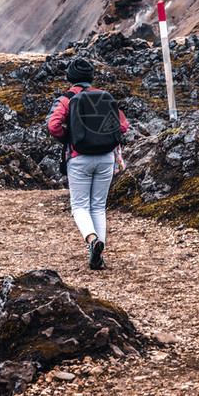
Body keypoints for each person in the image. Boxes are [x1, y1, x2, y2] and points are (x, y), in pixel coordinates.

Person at [46, 58, 129, 270]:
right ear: (91, 77)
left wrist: (70, 137)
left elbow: (53, 125)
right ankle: (99, 257)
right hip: (105, 157)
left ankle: (93, 241)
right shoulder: (105, 97)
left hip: (79, 157)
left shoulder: (66, 99)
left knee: (80, 206)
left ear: (70, 78)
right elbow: (123, 126)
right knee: (98, 206)